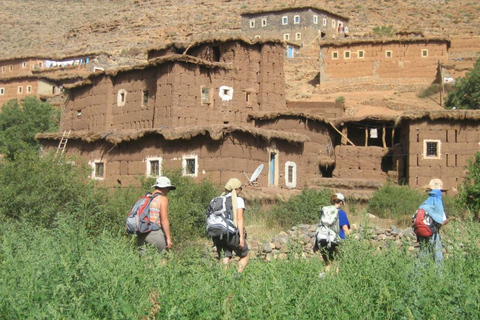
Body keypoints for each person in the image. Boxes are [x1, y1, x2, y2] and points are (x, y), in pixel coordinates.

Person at [212, 178, 249, 272]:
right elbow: (239, 218)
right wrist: (241, 237)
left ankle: (223, 282)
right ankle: (236, 278)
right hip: (231, 234)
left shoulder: (219, 199)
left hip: (218, 234)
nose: (241, 191)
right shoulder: (238, 200)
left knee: (225, 256)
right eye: (240, 188)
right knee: (245, 255)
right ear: (236, 189)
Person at [415, 179, 454, 264]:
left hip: (421, 232)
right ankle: (439, 276)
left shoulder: (425, 202)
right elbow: (441, 221)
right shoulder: (437, 201)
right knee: (438, 256)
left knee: (423, 255)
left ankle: (418, 276)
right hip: (432, 232)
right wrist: (449, 219)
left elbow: (414, 218)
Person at [313, 193, 351, 275]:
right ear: (341, 202)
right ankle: (335, 282)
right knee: (337, 264)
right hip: (336, 241)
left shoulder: (325, 211)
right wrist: (351, 242)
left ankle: (323, 281)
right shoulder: (341, 213)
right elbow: (345, 229)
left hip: (323, 240)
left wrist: (315, 245)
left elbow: (319, 227)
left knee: (328, 265)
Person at [137, 176, 176, 253]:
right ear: (165, 188)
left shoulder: (146, 197)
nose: (168, 191)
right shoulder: (162, 198)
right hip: (154, 233)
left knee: (145, 262)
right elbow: (164, 219)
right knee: (165, 258)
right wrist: (168, 238)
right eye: (168, 189)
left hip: (141, 233)